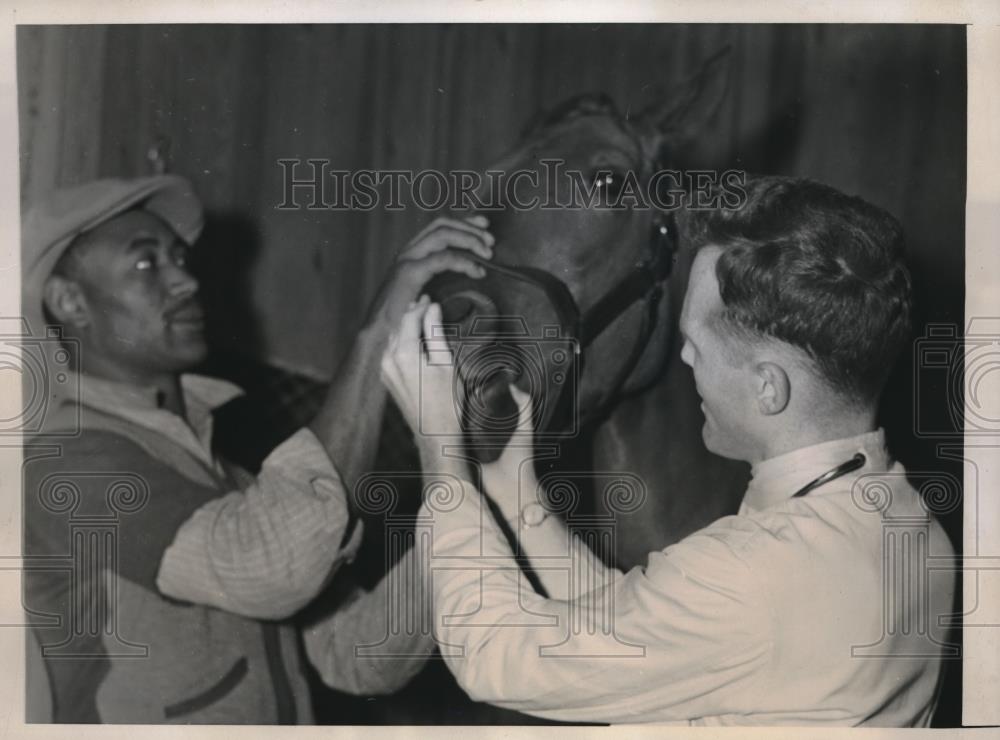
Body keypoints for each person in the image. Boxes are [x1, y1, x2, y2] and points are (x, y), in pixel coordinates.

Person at [380, 176, 957, 726]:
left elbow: (497, 657)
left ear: (768, 387)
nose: (683, 361)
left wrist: (441, 454)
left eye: (695, 345)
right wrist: (517, 492)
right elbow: (651, 628)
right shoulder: (910, 524)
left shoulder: (750, 576)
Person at [21, 174, 493, 723]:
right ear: (69, 301)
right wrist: (381, 330)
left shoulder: (230, 480)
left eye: (179, 257)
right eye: (147, 264)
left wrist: (473, 482)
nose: (186, 281)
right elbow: (267, 566)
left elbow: (359, 657)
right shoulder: (67, 460)